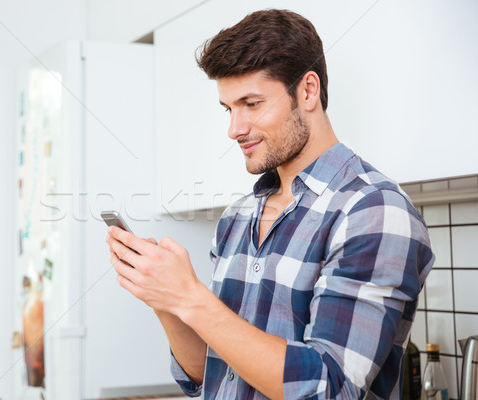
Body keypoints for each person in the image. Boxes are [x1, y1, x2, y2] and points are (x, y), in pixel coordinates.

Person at [106, 8, 434, 400]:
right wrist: (163, 297)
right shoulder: (237, 218)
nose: (234, 129)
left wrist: (190, 298)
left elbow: (332, 387)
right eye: (229, 109)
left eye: (251, 103)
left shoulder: (373, 211)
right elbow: (205, 371)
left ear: (307, 90)